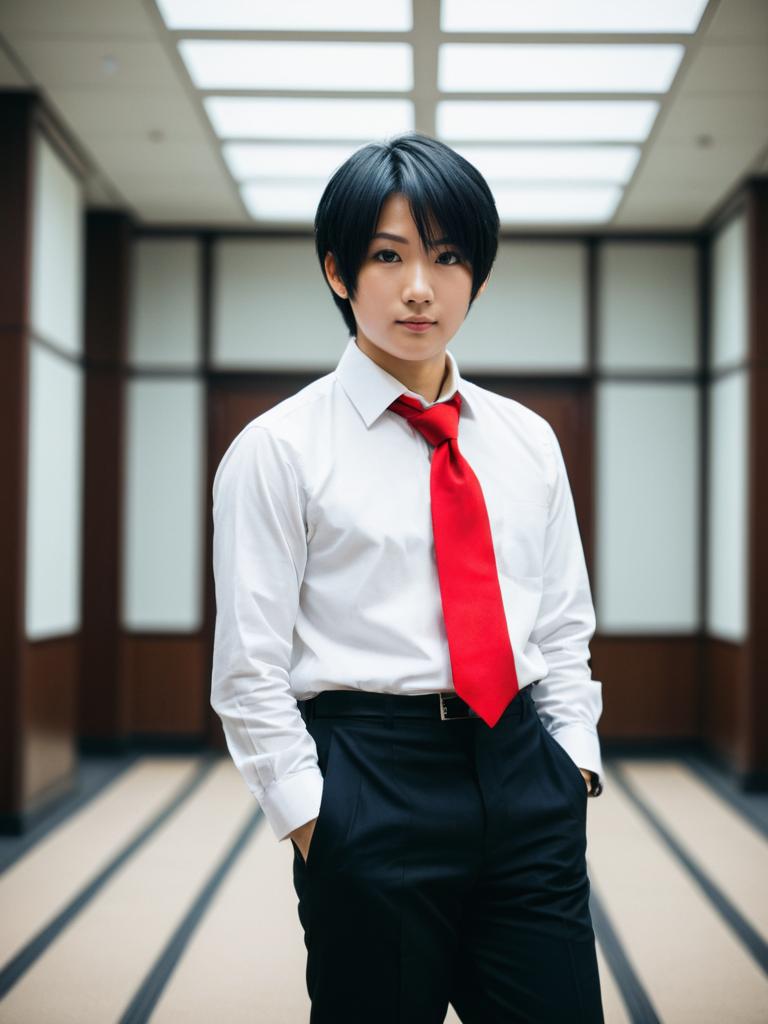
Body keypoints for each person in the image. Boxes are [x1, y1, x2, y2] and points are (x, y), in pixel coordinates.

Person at [210, 131, 605, 1023]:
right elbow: (248, 669)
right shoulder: (278, 450)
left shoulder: (525, 439)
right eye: (388, 256)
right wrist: (318, 822)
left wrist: (572, 763)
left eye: (448, 256)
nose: (420, 285)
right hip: (370, 782)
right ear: (338, 272)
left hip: (522, 775)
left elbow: (561, 628)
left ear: (480, 276)